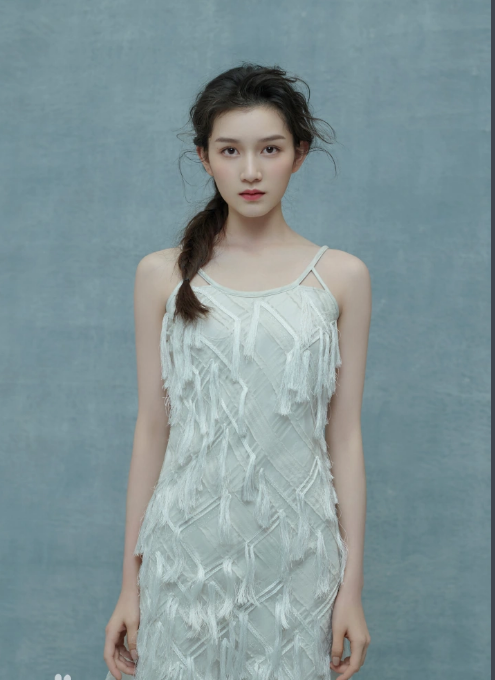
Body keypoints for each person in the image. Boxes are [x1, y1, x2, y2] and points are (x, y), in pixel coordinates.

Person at [103, 62, 371, 680]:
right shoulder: (161, 275)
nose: (250, 171)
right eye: (230, 150)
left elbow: (345, 438)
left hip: (299, 561)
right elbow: (153, 430)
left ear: (299, 155)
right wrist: (130, 586)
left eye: (269, 149)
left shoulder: (341, 277)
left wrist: (351, 589)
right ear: (205, 158)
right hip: (184, 558)